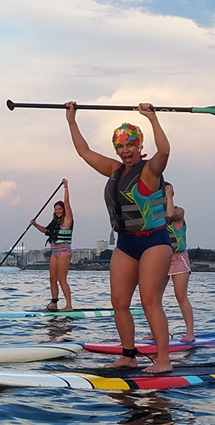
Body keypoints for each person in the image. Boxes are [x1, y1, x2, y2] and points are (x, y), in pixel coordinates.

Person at [65, 101, 172, 373]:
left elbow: (164, 150)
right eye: (121, 146)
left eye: (130, 145)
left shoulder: (150, 170)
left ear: (139, 146)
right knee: (119, 302)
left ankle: (163, 360)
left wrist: (152, 118)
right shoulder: (115, 170)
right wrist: (72, 120)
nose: (125, 151)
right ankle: (128, 355)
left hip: (154, 242)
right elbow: (84, 151)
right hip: (126, 243)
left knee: (149, 301)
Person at [31, 178, 74, 311]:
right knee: (52, 279)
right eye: (56, 209)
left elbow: (67, 202)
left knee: (62, 279)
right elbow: (45, 231)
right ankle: (54, 303)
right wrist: (35, 224)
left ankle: (69, 306)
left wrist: (65, 187)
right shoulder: (54, 222)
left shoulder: (67, 220)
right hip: (54, 252)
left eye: (60, 209)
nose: (58, 211)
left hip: (64, 251)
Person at [164, 183, 195, 342]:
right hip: (162, 259)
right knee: (153, 299)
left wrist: (169, 197)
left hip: (178, 258)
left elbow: (170, 214)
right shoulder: (155, 215)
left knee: (181, 296)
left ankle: (190, 332)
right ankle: (158, 331)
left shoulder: (179, 211)